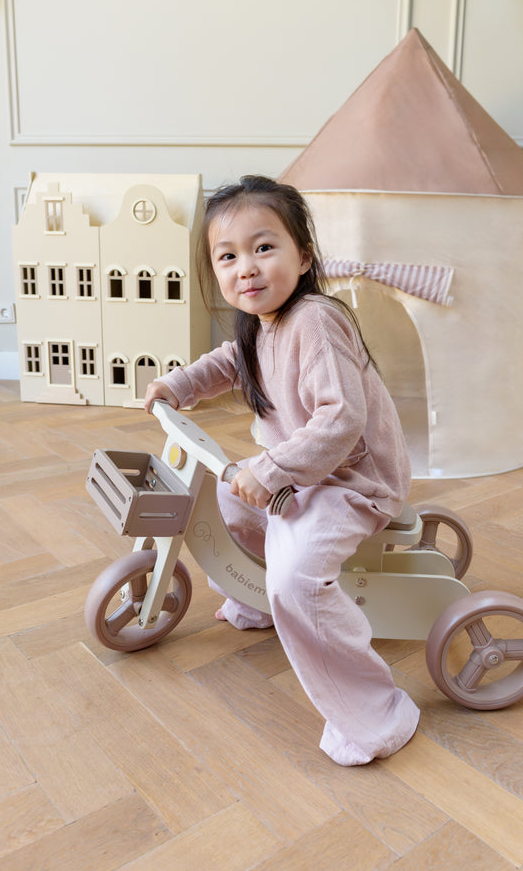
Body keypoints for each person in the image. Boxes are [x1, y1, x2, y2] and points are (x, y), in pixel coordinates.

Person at [144, 175, 420, 766]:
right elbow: (227, 363)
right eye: (228, 256)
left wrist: (271, 470)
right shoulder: (260, 323)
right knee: (226, 504)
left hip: (350, 482)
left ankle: (375, 716)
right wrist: (178, 385)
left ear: (304, 256)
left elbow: (342, 418)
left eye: (264, 247)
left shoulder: (316, 320)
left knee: (296, 579)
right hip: (298, 472)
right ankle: (254, 599)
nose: (246, 266)